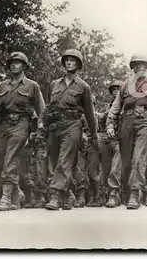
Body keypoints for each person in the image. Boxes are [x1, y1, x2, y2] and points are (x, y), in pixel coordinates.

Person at [0, 52, 45, 211]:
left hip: (21, 124)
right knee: (2, 161)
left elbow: (42, 109)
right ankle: (18, 196)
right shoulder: (1, 86)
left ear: (24, 66)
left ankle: (6, 198)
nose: (13, 65)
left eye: (17, 62)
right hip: (1, 126)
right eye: (11, 62)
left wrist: (41, 125)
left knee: (10, 160)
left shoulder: (32, 86)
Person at [106, 55, 147, 209]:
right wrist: (110, 125)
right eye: (136, 66)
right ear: (132, 68)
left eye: (142, 65)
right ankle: (118, 193)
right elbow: (115, 107)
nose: (139, 68)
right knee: (124, 159)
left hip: (145, 121)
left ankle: (134, 193)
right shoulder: (126, 85)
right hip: (126, 122)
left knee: (139, 158)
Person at [42, 49, 98, 210]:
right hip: (55, 125)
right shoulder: (54, 84)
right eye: (66, 60)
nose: (69, 63)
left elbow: (89, 113)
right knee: (57, 161)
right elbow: (48, 107)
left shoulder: (83, 86)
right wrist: (44, 127)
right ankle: (70, 195)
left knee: (64, 160)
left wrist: (93, 134)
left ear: (78, 64)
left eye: (72, 60)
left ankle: (55, 196)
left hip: (73, 125)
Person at [101, 80, 123, 208]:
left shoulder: (126, 105)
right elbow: (102, 118)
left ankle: (114, 193)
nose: (115, 92)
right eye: (113, 90)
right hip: (109, 139)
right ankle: (102, 192)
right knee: (104, 165)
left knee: (116, 164)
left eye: (118, 89)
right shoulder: (109, 106)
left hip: (121, 140)